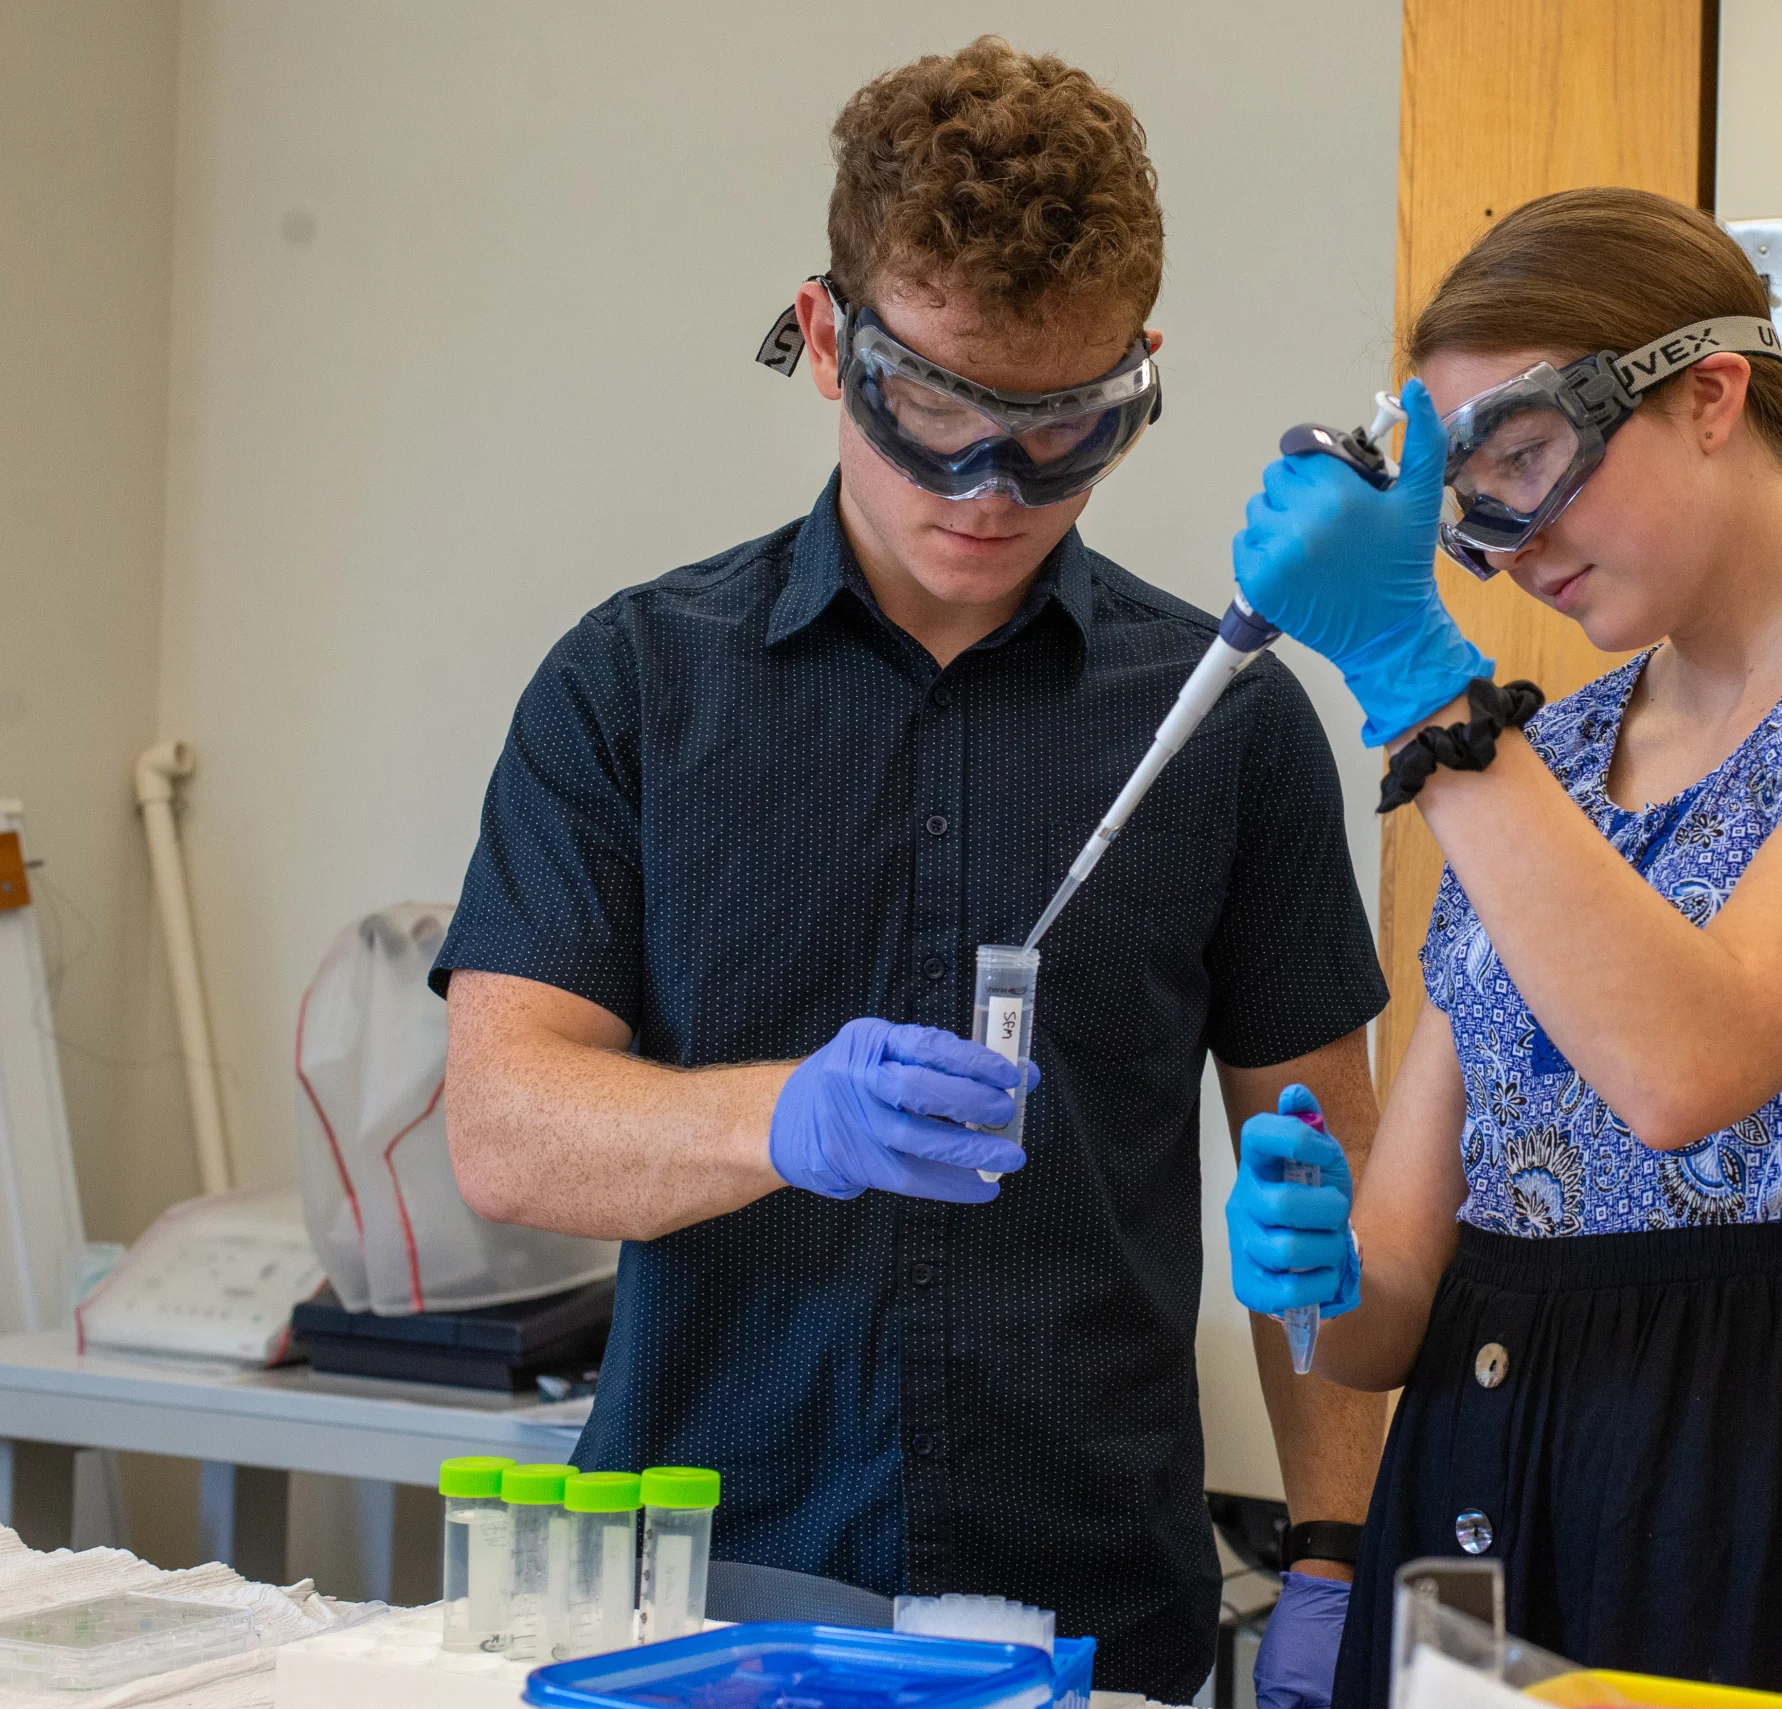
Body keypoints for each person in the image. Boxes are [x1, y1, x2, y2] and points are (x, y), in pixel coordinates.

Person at [433, 40, 1388, 1703]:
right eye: (932, 403)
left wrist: (1333, 1556)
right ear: (823, 340)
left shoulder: (1226, 725)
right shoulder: (636, 688)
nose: (988, 484)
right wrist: (780, 1119)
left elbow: (1334, 1204)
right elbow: (506, 1131)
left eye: (1064, 426)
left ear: (1142, 373)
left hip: (1094, 1617)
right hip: (697, 1609)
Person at [1219, 187, 1782, 1703]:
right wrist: (1313, 1273)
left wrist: (1415, 676)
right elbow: (1392, 1315)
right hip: (1467, 1497)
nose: (1503, 548)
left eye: (1525, 462)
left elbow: (1684, 1063)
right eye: (1466, 505)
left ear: (1710, 395)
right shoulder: (1547, 758)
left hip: (1754, 1497)